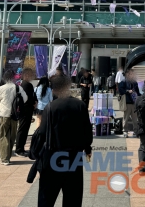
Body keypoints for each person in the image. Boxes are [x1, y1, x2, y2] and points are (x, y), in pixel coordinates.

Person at [35, 74, 93, 207]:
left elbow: (42, 133)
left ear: (54, 89)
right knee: (73, 198)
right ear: (69, 87)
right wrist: (87, 148)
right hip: (74, 157)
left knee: (46, 198)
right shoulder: (80, 105)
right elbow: (87, 132)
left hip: (52, 156)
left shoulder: (50, 107)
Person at [0, 70, 28, 165]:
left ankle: (5, 159)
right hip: (14, 115)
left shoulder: (1, 88)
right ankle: (8, 155)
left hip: (4, 114)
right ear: (13, 77)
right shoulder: (18, 88)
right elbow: (25, 99)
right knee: (12, 136)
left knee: (3, 135)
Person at [15, 68, 37, 158]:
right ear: (26, 75)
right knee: (23, 130)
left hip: (24, 110)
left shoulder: (22, 84)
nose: (32, 77)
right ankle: (19, 149)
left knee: (23, 129)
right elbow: (29, 98)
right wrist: (34, 103)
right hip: (26, 110)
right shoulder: (27, 85)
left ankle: (21, 148)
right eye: (31, 75)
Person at [119, 68, 140, 136]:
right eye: (131, 74)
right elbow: (121, 91)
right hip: (127, 102)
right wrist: (127, 91)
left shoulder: (135, 82)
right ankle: (125, 131)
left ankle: (136, 131)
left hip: (134, 103)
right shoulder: (123, 81)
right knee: (126, 118)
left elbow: (138, 92)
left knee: (135, 119)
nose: (132, 75)